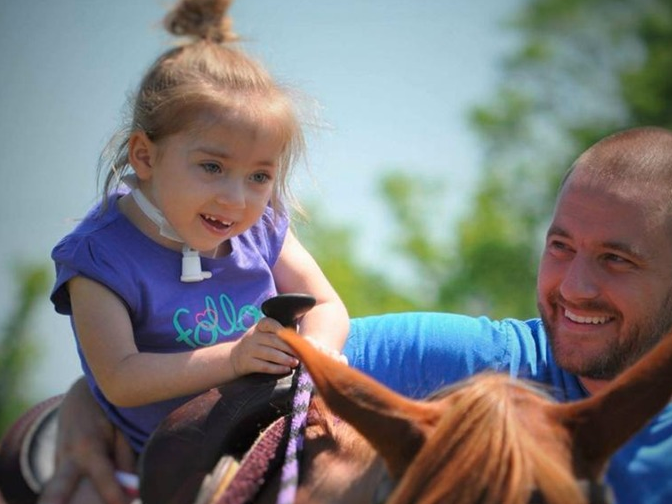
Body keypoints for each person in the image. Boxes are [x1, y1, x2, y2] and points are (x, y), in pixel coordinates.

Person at [33, 135, 672, 501]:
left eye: (617, 259)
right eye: (560, 248)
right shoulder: (466, 365)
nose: (575, 288)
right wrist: (89, 400)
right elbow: (243, 381)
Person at [43, 0, 349, 497]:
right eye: (212, 167)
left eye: (259, 176)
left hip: (262, 421)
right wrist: (234, 359)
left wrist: (316, 353)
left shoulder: (262, 226)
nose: (236, 199)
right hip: (151, 456)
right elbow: (119, 377)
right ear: (145, 155)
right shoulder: (98, 258)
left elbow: (329, 305)